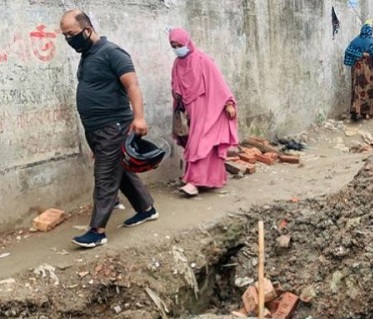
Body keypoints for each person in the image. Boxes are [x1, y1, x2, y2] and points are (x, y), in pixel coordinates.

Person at [60, 10, 157, 248]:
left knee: (104, 176)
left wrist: (140, 118)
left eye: (71, 34)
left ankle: (97, 231)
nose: (69, 40)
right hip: (97, 129)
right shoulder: (88, 54)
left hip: (114, 126)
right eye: (64, 35)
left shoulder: (112, 52)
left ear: (87, 29)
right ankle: (146, 208)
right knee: (120, 169)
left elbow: (132, 84)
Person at [168, 28, 239, 197]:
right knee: (198, 142)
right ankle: (209, 179)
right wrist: (177, 95)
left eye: (180, 44)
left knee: (200, 143)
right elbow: (175, 85)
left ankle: (194, 182)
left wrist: (229, 103)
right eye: (174, 45)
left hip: (210, 108)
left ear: (187, 42)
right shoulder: (178, 64)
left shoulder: (203, 60)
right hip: (191, 110)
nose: (178, 48)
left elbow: (218, 82)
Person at [344, 24, 373, 121]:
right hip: (368, 69)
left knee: (356, 87)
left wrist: (359, 54)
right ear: (370, 32)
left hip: (356, 68)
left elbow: (348, 51)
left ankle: (355, 110)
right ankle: (367, 113)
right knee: (368, 88)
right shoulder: (372, 42)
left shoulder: (355, 41)